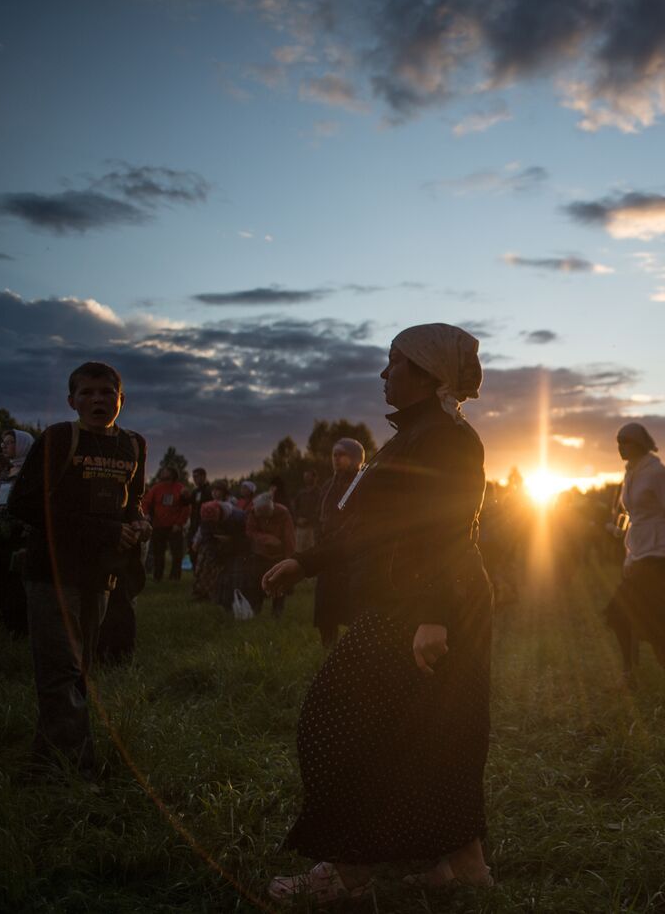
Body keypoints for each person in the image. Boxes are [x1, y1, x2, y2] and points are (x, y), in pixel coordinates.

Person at [261, 324, 494, 901]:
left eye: (394, 363)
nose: (384, 374)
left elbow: (446, 526)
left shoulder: (447, 439)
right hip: (416, 598)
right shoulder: (412, 435)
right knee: (438, 731)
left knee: (334, 722)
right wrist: (306, 563)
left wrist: (435, 615)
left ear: (426, 374)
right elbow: (375, 529)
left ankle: (346, 874)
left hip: (430, 600)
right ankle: (464, 863)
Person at [8, 361, 150, 776]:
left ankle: (46, 762)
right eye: (86, 393)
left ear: (121, 400)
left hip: (99, 577)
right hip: (52, 574)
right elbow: (24, 505)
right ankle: (75, 772)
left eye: (106, 392)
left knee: (77, 674)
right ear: (71, 401)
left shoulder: (134, 446)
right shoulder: (58, 439)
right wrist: (105, 531)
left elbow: (132, 502)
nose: (97, 400)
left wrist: (137, 523)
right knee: (60, 673)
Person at [604, 422, 665, 681]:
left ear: (639, 443)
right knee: (652, 609)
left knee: (621, 609)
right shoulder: (630, 473)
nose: (620, 447)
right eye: (618, 441)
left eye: (625, 441)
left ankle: (645, 668)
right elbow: (632, 515)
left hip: (659, 552)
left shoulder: (659, 473)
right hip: (637, 550)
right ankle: (651, 666)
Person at [312, 440, 366, 647]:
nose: (336, 459)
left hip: (350, 554)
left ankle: (355, 649)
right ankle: (327, 646)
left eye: (341, 455)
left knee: (353, 605)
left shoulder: (360, 482)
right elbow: (321, 515)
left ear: (354, 458)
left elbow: (358, 515)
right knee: (327, 604)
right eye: (334, 455)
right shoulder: (328, 485)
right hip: (328, 554)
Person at [0, 429, 34, 638]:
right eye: (3, 442)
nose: (4, 446)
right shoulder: (5, 471)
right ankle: (4, 616)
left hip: (20, 533)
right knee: (2, 576)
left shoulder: (30, 472)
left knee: (18, 579)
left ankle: (19, 623)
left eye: (9, 442)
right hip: (2, 532)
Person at [245, 491, 295, 617]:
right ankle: (256, 608)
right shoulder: (254, 512)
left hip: (278, 555)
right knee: (256, 582)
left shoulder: (283, 512)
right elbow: (250, 531)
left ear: (270, 508)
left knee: (278, 582)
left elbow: (289, 537)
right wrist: (267, 539)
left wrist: (289, 558)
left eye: (264, 513)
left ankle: (277, 611)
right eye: (259, 514)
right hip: (259, 553)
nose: (262, 517)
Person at [141, 466, 189, 582]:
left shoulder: (180, 488)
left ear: (172, 474)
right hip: (158, 526)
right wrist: (146, 514)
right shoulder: (156, 488)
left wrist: (179, 523)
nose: (163, 472)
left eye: (166, 470)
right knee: (158, 553)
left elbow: (186, 507)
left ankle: (175, 577)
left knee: (177, 554)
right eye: (162, 471)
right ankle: (158, 576)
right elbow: (146, 502)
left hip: (175, 527)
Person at [185, 467, 213, 574]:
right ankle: (196, 571)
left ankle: (201, 572)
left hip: (204, 526)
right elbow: (188, 502)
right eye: (194, 477)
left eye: (197, 477)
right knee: (192, 548)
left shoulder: (209, 491)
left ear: (203, 476)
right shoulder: (195, 491)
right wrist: (184, 496)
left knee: (202, 550)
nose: (195, 479)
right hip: (194, 524)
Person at [293, 468, 323, 555]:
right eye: (305, 476)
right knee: (298, 552)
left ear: (315, 478)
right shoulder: (301, 493)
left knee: (310, 553)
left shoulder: (320, 493)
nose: (306, 478)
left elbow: (320, 511)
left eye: (308, 476)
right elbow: (294, 508)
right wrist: (297, 519)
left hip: (312, 529)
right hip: (300, 528)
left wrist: (309, 520)